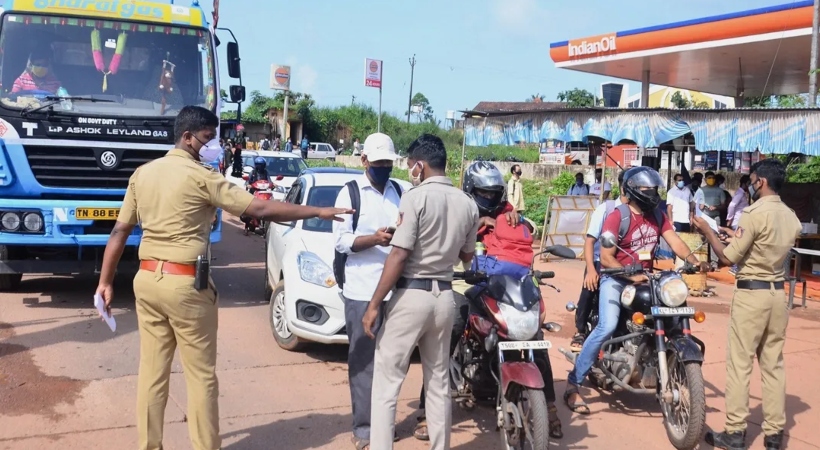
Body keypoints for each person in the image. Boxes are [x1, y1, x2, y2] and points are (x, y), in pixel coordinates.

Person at [93, 106, 351, 450]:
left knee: (152, 375)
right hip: (185, 285)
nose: (213, 145)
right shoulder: (202, 178)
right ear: (187, 137)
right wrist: (318, 211)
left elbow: (119, 232)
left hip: (147, 280)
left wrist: (105, 282)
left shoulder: (143, 174)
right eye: (207, 138)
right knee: (200, 377)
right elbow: (257, 209)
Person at [414, 161, 563, 442]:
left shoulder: (508, 213)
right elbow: (443, 241)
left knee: (534, 337)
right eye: (484, 194)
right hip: (462, 284)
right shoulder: (456, 207)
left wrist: (520, 221)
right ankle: (425, 411)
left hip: (502, 285)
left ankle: (550, 407)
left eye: (495, 193)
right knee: (449, 333)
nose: (490, 199)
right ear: (471, 191)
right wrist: (476, 223)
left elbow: (522, 239)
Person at [363, 134, 479, 450]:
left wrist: (374, 304)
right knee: (439, 381)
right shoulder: (468, 203)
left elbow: (399, 254)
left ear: (419, 165)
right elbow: (467, 257)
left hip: (411, 295)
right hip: (444, 298)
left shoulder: (415, 198)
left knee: (387, 383)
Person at [563, 166, 709, 415]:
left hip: (647, 278)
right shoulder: (617, 216)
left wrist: (695, 261)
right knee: (606, 325)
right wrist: (627, 272)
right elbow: (607, 257)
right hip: (616, 278)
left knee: (672, 315)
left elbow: (674, 240)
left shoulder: (658, 214)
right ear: (632, 190)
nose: (651, 193)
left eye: (653, 189)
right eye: (645, 189)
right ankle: (574, 383)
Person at [692, 160, 800, 450]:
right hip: (778, 294)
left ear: (761, 182)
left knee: (740, 365)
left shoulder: (753, 213)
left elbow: (728, 258)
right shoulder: (790, 216)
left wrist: (708, 230)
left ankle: (735, 432)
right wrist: (734, 235)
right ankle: (774, 435)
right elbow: (764, 244)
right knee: (773, 365)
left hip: (752, 295)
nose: (749, 184)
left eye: (752, 180)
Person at [332, 132, 402, 450]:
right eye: (379, 163)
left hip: (395, 290)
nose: (384, 168)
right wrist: (373, 239)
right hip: (361, 289)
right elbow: (342, 241)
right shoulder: (349, 195)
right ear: (364, 161)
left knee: (391, 362)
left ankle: (383, 425)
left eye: (388, 163)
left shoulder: (399, 192)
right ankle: (364, 429)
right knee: (363, 362)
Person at [570, 170, 627, 352]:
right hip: (599, 261)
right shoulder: (607, 208)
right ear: (624, 187)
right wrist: (591, 270)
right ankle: (580, 330)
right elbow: (590, 240)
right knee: (589, 289)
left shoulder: (640, 212)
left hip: (625, 264)